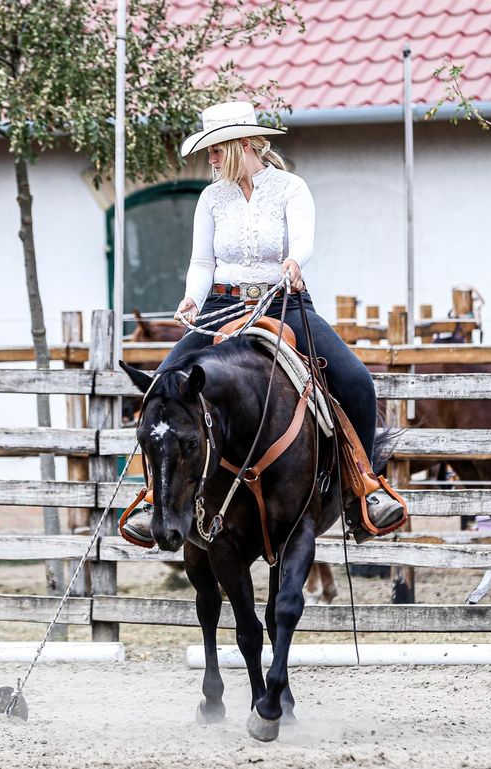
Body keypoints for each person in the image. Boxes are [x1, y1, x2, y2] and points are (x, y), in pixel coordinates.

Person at [123, 101, 405, 543]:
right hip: (220, 304)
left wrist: (294, 260)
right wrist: (191, 299)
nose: (210, 158)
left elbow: (304, 239)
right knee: (163, 388)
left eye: (216, 149)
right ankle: (149, 498)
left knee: (355, 381)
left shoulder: (291, 187)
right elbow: (201, 260)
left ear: (242, 144)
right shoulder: (211, 197)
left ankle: (363, 489)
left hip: (283, 303)